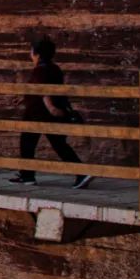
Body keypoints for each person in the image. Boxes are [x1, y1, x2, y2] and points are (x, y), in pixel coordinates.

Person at [12, 35, 92, 189]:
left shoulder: (40, 70)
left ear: (37, 53)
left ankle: (28, 176)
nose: (30, 54)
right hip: (44, 113)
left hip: (38, 115)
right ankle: (81, 173)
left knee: (28, 143)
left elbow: (44, 91)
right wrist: (25, 98)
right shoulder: (54, 68)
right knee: (59, 145)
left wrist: (51, 108)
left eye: (31, 51)